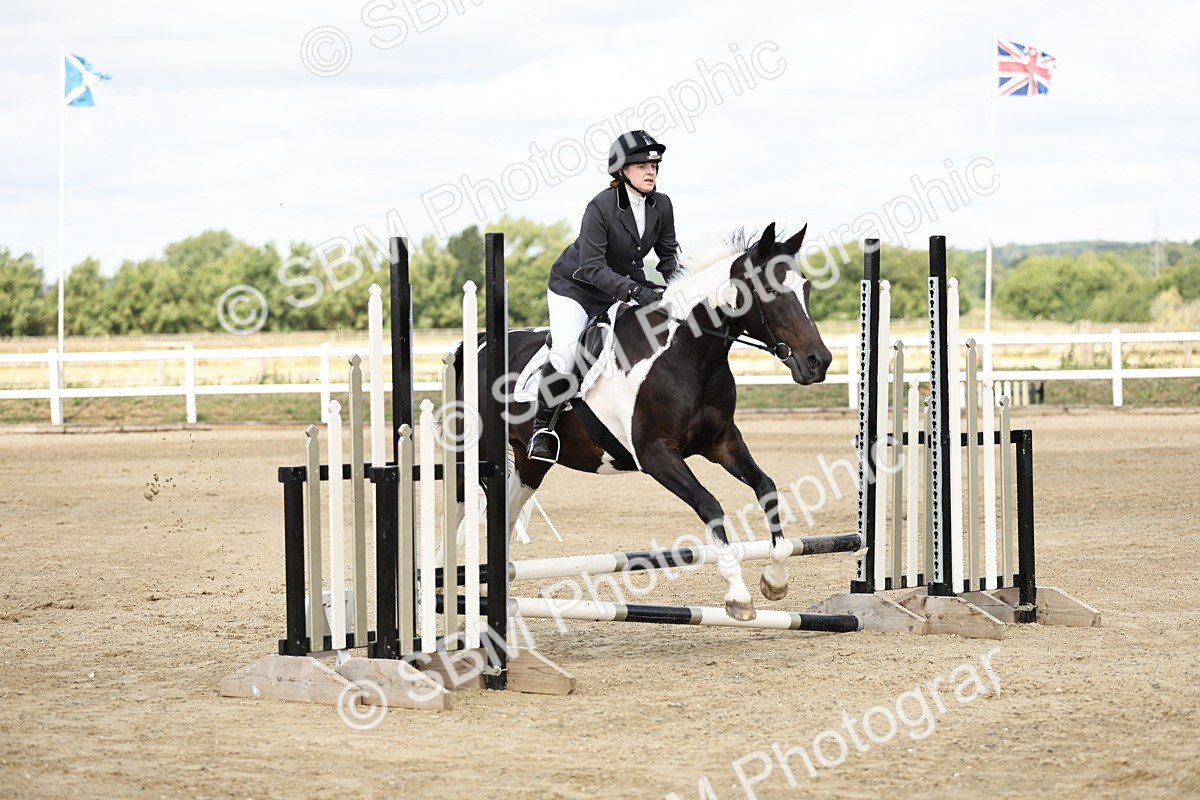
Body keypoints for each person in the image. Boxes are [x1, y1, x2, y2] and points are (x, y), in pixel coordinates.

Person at [527, 130, 680, 463]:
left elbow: (668, 258)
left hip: (621, 286)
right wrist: (638, 291)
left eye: (654, 165)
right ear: (622, 171)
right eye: (641, 165)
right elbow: (593, 267)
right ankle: (543, 429)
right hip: (577, 288)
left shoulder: (661, 205)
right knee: (567, 354)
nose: (650, 171)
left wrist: (680, 291)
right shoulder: (600, 207)